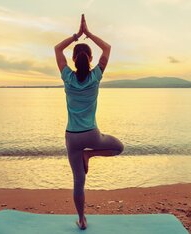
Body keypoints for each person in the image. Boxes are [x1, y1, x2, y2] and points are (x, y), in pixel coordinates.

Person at [54, 14, 124, 230]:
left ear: (74, 59)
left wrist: (77, 35)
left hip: (72, 137)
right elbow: (108, 48)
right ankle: (91, 153)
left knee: (78, 182)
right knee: (118, 148)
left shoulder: (67, 77)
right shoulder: (96, 77)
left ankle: (82, 220)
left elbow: (57, 49)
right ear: (90, 59)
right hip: (92, 134)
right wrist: (89, 33)